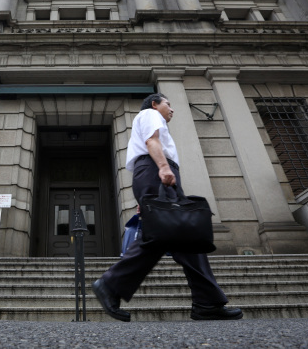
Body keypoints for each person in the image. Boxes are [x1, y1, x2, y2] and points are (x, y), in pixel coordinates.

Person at [92, 93, 243, 322]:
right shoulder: (150, 114)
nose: (172, 109)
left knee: (187, 237)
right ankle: (110, 284)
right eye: (168, 104)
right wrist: (163, 167)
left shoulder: (150, 117)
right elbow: (151, 142)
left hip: (154, 172)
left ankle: (207, 302)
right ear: (155, 104)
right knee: (159, 235)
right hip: (156, 170)